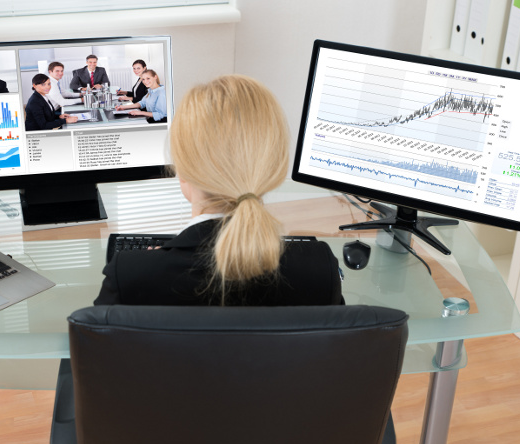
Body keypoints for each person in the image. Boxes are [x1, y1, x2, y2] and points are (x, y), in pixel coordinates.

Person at [95, 74, 343, 306]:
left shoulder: (130, 275)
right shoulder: (321, 270)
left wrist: (155, 263)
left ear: (181, 168)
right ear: (273, 165)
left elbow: (90, 349)